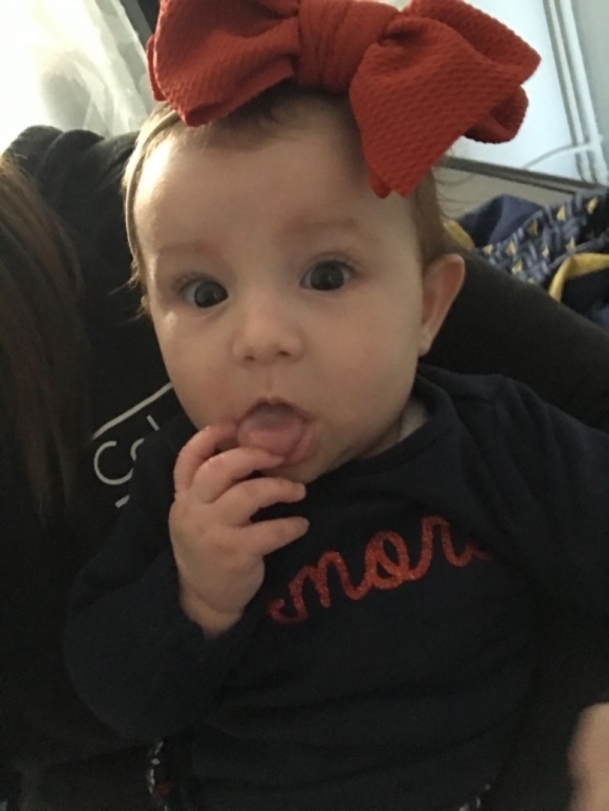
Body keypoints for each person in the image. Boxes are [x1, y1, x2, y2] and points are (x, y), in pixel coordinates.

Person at [61, 1, 609, 810]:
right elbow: (118, 696)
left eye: (325, 276)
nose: (259, 337)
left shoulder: (493, 435)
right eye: (203, 292)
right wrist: (192, 598)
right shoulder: (183, 487)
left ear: (428, 308)